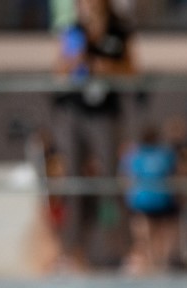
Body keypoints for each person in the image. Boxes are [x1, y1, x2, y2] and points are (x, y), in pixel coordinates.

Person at [53, 0, 137, 270]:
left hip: (105, 114)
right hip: (74, 112)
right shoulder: (72, 30)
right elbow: (59, 72)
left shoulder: (119, 30)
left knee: (110, 184)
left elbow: (133, 70)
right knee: (75, 185)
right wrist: (73, 62)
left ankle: (118, 250)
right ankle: (72, 251)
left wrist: (108, 68)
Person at [121, 124, 179, 275]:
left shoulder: (135, 155)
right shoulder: (165, 154)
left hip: (144, 201)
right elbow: (173, 172)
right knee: (158, 234)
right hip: (159, 200)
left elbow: (128, 178)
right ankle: (158, 262)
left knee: (146, 235)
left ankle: (153, 261)